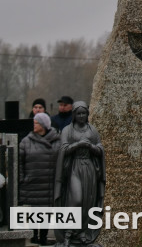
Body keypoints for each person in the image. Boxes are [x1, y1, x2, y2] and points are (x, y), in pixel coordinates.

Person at [54, 101, 105, 246]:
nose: (81, 116)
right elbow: (63, 148)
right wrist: (78, 145)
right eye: (78, 113)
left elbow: (100, 149)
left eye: (84, 113)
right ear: (74, 115)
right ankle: (68, 233)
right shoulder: (67, 130)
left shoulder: (92, 130)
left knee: (88, 202)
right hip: (74, 168)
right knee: (76, 199)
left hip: (89, 168)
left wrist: (91, 147)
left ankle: (82, 232)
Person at [19, 112, 61, 245]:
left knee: (46, 212)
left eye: (36, 122)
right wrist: (22, 179)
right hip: (32, 184)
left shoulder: (57, 141)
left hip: (48, 184)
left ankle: (43, 237)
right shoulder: (26, 141)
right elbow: (19, 162)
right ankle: (33, 236)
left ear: (43, 125)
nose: (33, 124)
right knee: (33, 212)